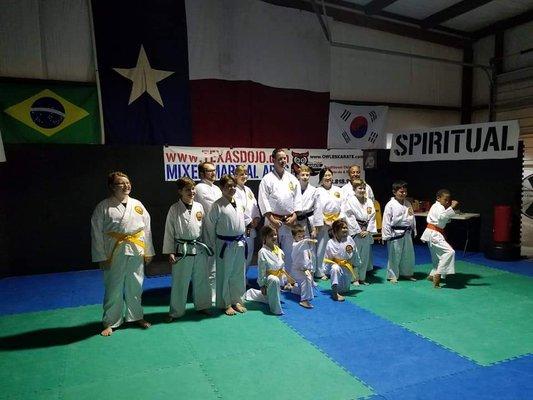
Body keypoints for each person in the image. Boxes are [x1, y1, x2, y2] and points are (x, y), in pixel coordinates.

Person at [91, 171, 154, 336]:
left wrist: (149, 251)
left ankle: (136, 316)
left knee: (136, 283)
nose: (127, 185)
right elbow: (96, 233)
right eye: (121, 183)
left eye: (128, 182)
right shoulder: (103, 207)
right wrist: (101, 256)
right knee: (113, 286)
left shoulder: (138, 205)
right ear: (112, 187)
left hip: (136, 248)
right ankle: (111, 321)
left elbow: (146, 230)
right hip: (113, 250)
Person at [162, 177, 213, 321]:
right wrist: (170, 251)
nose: (191, 192)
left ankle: (202, 306)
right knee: (180, 281)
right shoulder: (174, 208)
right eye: (187, 189)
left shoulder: (199, 207)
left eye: (192, 189)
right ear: (180, 192)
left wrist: (207, 246)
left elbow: (203, 229)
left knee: (202, 279)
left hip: (198, 247)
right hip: (181, 249)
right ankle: (176, 312)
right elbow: (169, 231)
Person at [258, 148, 302, 272]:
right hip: (273, 220)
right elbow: (263, 200)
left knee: (289, 251)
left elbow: (298, 199)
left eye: (284, 158)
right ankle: (272, 277)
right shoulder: (267, 179)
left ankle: (288, 279)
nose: (283, 161)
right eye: (280, 158)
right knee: (271, 250)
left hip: (289, 221)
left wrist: (294, 216)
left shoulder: (292, 179)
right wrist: (271, 219)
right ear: (273, 160)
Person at [209, 175, 247, 316]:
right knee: (225, 273)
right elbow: (210, 225)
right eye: (228, 186)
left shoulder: (238, 201)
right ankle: (225, 303)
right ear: (221, 188)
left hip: (239, 241)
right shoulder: (217, 205)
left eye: (233, 186)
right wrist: (212, 244)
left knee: (238, 273)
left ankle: (236, 300)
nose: (231, 189)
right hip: (224, 243)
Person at [245, 226, 295, 315]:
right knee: (273, 280)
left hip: (279, 280)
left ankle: (252, 293)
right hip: (269, 280)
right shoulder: (263, 252)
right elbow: (261, 271)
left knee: (268, 297)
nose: (274, 237)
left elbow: (282, 267)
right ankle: (276, 310)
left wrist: (286, 281)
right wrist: (262, 285)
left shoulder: (278, 250)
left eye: (275, 234)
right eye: (271, 235)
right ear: (265, 237)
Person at [195, 162, 222, 301]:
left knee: (217, 263)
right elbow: (213, 207)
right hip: (207, 230)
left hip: (219, 230)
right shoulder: (199, 188)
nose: (213, 173)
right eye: (209, 171)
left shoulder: (217, 188)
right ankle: (209, 295)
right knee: (209, 264)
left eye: (214, 170)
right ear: (202, 174)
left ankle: (216, 291)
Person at [420, 189, 459, 288]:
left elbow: (443, 220)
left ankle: (432, 275)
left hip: (433, 232)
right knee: (450, 252)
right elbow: (442, 217)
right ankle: (438, 274)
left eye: (448, 200)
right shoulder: (438, 206)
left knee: (437, 256)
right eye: (445, 199)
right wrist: (452, 207)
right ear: (438, 198)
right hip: (434, 233)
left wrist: (450, 210)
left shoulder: (437, 206)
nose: (447, 202)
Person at [342, 178, 376, 284]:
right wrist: (357, 230)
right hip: (356, 232)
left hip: (366, 231)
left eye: (363, 188)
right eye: (359, 188)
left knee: (365, 256)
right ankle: (354, 278)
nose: (362, 190)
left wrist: (368, 230)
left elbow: (373, 217)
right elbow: (349, 216)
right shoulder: (350, 201)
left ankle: (362, 277)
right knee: (354, 255)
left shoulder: (369, 201)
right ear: (354, 189)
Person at [382, 180, 417, 283]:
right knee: (395, 255)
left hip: (407, 232)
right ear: (394, 192)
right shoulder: (390, 204)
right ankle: (392, 275)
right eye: (401, 192)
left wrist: (414, 229)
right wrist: (386, 235)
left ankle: (406, 273)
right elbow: (386, 220)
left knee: (408, 254)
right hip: (395, 233)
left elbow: (412, 217)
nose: (403, 194)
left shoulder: (408, 203)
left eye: (405, 191)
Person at [315, 167, 345, 279]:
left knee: (336, 247)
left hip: (337, 223)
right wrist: (324, 220)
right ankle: (320, 271)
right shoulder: (317, 191)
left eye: (329, 175)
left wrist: (338, 220)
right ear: (321, 178)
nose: (328, 177)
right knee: (322, 247)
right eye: (325, 176)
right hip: (323, 223)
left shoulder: (338, 190)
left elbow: (343, 206)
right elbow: (316, 208)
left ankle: (335, 269)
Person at [323, 220, 360, 301]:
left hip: (347, 267)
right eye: (343, 228)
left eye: (346, 228)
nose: (345, 230)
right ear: (336, 229)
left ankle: (340, 290)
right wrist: (326, 272)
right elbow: (327, 258)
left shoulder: (349, 239)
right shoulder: (330, 242)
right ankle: (335, 293)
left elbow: (355, 254)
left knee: (345, 290)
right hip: (336, 267)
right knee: (335, 268)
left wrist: (356, 273)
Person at [234, 165, 260, 269]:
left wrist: (257, 218)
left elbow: (255, 205)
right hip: (241, 227)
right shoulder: (234, 190)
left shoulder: (248, 190)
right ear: (235, 176)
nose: (244, 176)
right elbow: (237, 208)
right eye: (241, 174)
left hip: (251, 228)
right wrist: (248, 221)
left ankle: (245, 278)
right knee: (240, 255)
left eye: (245, 174)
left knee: (249, 253)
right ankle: (238, 281)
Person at [291, 225, 316, 309]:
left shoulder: (304, 246)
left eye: (303, 236)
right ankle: (304, 300)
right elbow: (300, 245)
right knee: (305, 280)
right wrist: (307, 240)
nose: (301, 238)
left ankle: (294, 289)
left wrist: (310, 268)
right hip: (296, 270)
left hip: (304, 269)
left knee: (309, 280)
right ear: (294, 237)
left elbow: (308, 257)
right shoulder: (295, 245)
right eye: (299, 236)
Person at [295, 164, 321, 239]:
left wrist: (316, 228)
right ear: (298, 176)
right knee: (296, 245)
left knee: (310, 246)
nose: (305, 177)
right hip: (296, 220)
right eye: (302, 175)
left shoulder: (314, 190)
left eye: (307, 175)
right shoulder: (294, 189)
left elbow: (318, 209)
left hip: (309, 221)